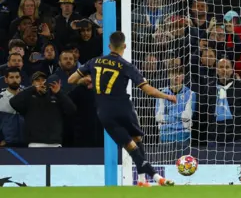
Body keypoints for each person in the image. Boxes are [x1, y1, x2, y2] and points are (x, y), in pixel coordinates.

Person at [68, 31, 177, 187]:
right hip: (124, 109)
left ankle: (145, 179)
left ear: (109, 46)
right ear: (124, 46)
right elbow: (147, 90)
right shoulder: (126, 65)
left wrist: (85, 80)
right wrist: (166, 96)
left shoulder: (94, 61)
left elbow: (71, 79)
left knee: (131, 147)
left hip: (104, 112)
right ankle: (154, 177)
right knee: (137, 141)